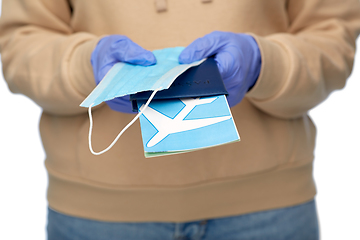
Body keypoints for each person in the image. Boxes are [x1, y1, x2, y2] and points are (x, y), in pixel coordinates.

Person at [0, 0, 359, 239]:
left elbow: (333, 38)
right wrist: (86, 64)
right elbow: (19, 44)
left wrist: (264, 63)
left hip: (269, 214)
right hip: (98, 219)